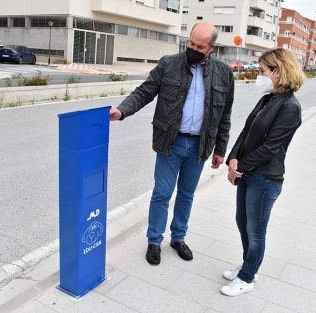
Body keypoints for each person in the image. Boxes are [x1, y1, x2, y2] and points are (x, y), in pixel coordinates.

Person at [110, 22, 235, 266]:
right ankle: (154, 240)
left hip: (199, 145)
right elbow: (144, 92)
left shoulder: (223, 72)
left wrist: (220, 149)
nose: (193, 49)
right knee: (162, 194)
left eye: (200, 46)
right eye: (191, 43)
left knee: (187, 194)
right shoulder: (169, 63)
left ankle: (178, 238)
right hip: (171, 141)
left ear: (212, 48)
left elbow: (225, 115)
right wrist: (122, 111)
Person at [221, 48, 305, 296]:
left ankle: (247, 278)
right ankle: (250, 266)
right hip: (248, 172)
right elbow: (246, 132)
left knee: (255, 232)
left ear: (278, 72)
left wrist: (240, 167)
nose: (259, 75)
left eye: (262, 71)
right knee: (242, 221)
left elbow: (271, 147)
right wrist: (233, 160)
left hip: (266, 177)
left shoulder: (290, 106)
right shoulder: (268, 98)